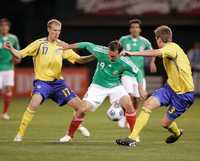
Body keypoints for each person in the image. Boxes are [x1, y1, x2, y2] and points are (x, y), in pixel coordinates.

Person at [3, 19, 95, 142]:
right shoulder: (39, 44)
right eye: (55, 30)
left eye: (59, 31)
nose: (57, 33)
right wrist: (11, 49)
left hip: (58, 83)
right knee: (34, 104)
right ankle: (19, 135)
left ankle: (75, 129)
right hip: (42, 82)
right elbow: (20, 54)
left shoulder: (62, 45)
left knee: (81, 108)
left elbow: (79, 60)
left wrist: (95, 56)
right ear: (48, 29)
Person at [116, 25, 195, 147]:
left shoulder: (171, 48)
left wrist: (132, 53)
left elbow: (156, 52)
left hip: (183, 95)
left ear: (158, 39)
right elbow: (156, 53)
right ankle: (132, 138)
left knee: (165, 124)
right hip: (169, 88)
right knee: (147, 105)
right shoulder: (171, 48)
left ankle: (177, 133)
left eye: (156, 39)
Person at [59, 41, 147, 142]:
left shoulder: (125, 61)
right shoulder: (101, 51)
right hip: (97, 86)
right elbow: (87, 44)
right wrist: (68, 46)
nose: (110, 57)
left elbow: (138, 72)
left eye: (113, 56)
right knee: (82, 109)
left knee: (129, 106)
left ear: (120, 53)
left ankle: (134, 135)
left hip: (115, 86)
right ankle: (69, 135)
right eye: (109, 54)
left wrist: (141, 88)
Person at [118, 19, 157, 128]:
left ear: (140, 29)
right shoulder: (124, 40)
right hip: (127, 73)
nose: (135, 29)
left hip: (139, 73)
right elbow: (116, 50)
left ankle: (131, 115)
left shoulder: (144, 41)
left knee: (139, 98)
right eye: (133, 27)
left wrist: (152, 62)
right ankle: (124, 116)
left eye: (137, 27)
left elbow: (153, 52)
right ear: (130, 29)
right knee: (128, 95)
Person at [0, 18, 20, 120]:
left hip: (9, 68)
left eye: (6, 26)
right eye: (2, 25)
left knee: (8, 90)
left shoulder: (13, 38)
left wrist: (17, 59)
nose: (4, 27)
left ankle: (5, 113)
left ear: (9, 27)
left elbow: (18, 53)